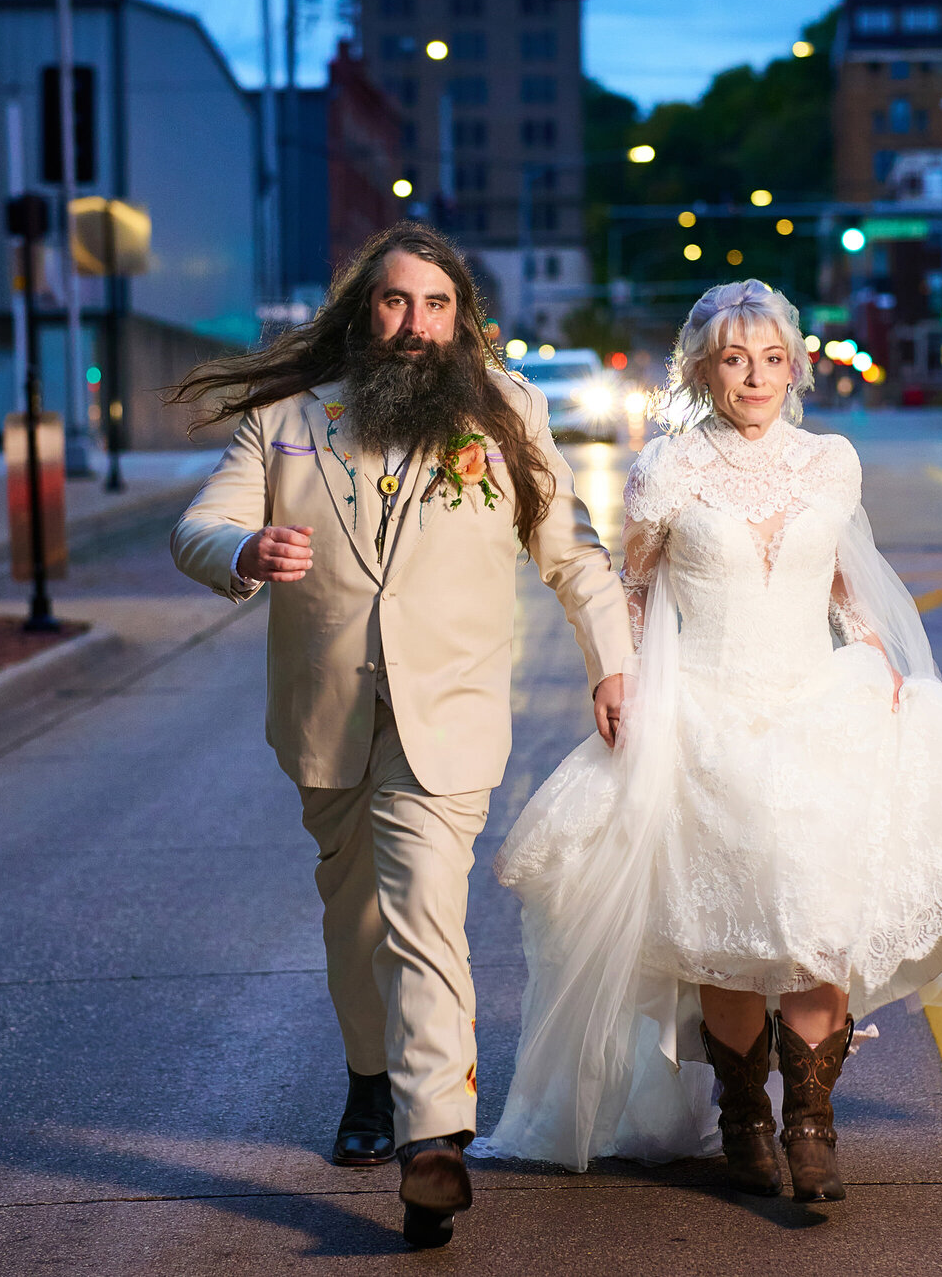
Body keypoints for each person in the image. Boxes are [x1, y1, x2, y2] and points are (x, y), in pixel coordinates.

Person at [474, 280, 942, 1203]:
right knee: (724, 935)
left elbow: (845, 583)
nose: (754, 376)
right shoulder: (668, 471)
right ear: (704, 369)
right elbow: (637, 594)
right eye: (734, 359)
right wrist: (625, 680)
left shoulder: (830, 462)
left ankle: (812, 1125)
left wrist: (881, 661)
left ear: (794, 365)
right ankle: (743, 1120)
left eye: (771, 358)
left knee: (816, 928)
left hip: (818, 703)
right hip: (708, 712)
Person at [168, 223, 634, 1248]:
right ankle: (368, 1079)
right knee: (354, 918)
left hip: (451, 715)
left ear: (460, 317)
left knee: (424, 905)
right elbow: (198, 526)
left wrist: (613, 659)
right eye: (393, 303)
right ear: (361, 312)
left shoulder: (504, 411)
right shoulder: (292, 418)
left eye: (434, 306)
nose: (414, 324)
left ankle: (434, 1144)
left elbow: (573, 550)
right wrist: (245, 545)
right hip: (327, 714)